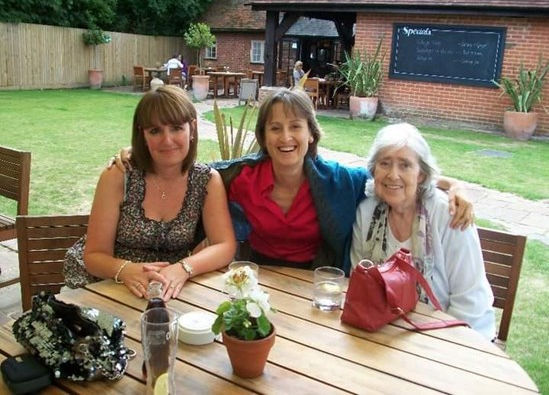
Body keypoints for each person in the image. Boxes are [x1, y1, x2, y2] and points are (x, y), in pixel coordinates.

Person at [112, 88, 473, 273]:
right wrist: (136, 156)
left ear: (311, 135)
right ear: (264, 138)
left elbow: (390, 176)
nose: (286, 137)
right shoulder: (240, 176)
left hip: (314, 282)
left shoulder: (337, 180)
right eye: (276, 128)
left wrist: (452, 185)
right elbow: (186, 166)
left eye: (295, 126)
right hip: (254, 278)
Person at [63, 86, 236, 300]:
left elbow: (225, 245)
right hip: (107, 283)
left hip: (167, 287)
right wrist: (126, 269)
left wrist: (184, 267)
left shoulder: (207, 180)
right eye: (155, 131)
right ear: (142, 134)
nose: (167, 140)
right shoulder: (119, 176)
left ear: (192, 128)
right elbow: (94, 256)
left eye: (176, 128)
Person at [350, 123, 495, 340]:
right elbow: (359, 280)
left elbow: (470, 301)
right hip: (388, 331)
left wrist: (443, 347)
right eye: (385, 163)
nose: (393, 174)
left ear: (421, 175)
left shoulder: (448, 214)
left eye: (405, 165)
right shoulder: (367, 211)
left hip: (456, 333)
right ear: (373, 170)